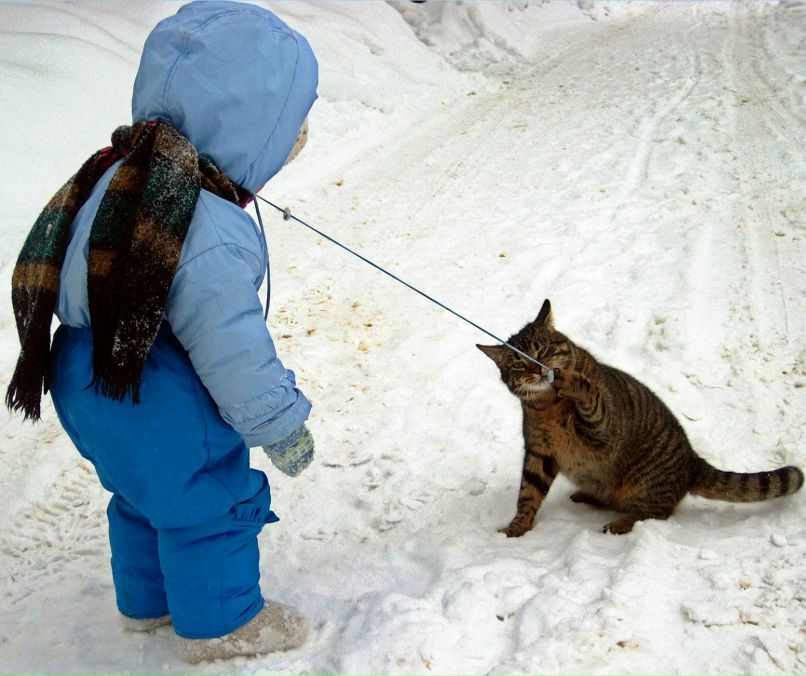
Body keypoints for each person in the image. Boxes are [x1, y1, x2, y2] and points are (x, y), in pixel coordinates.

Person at [6, 1, 318, 663]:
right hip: (159, 388)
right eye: (288, 125)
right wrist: (280, 424)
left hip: (84, 375)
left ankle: (145, 604)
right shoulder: (205, 223)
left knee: (142, 494)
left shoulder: (110, 176)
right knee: (208, 500)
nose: (293, 140)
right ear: (249, 127)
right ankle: (221, 625)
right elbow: (232, 346)